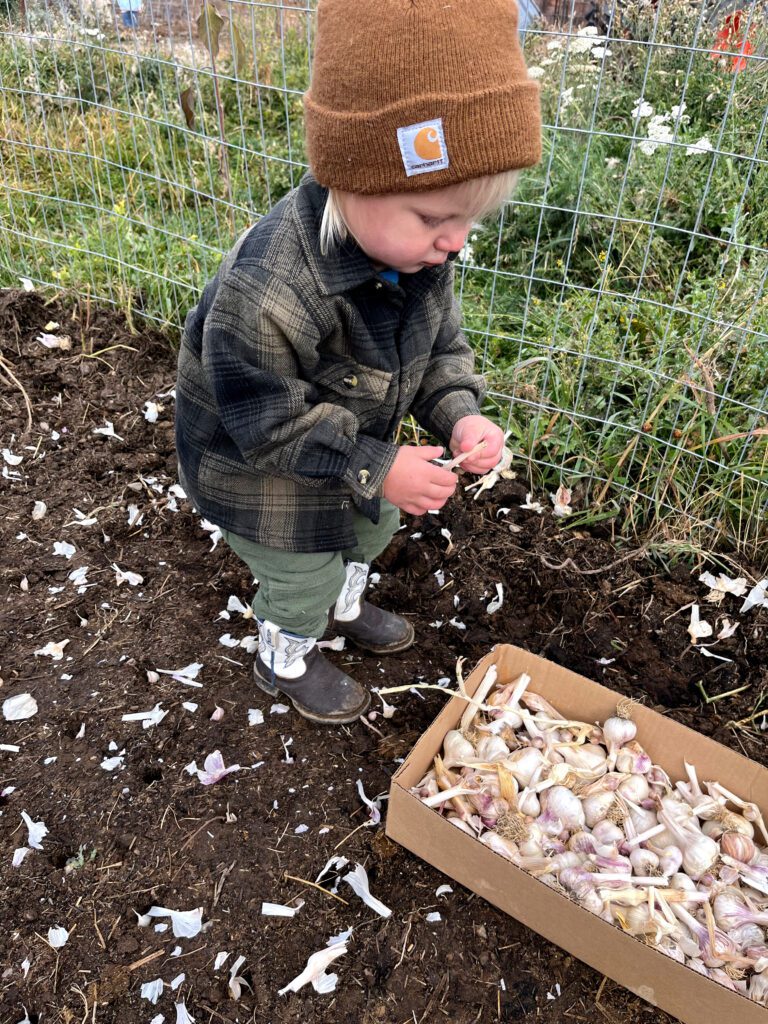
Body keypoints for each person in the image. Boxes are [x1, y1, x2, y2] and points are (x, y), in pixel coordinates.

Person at [175, 0, 541, 725]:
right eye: (437, 220)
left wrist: (461, 416)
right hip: (260, 475)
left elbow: (440, 349)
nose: (456, 243)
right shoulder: (271, 288)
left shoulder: (415, 257)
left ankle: (342, 607)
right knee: (301, 571)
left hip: (353, 451)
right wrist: (380, 465)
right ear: (354, 176)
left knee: (372, 528)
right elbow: (269, 423)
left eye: (469, 221)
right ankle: (287, 649)